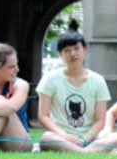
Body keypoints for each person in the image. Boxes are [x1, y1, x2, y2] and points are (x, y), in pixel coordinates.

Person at [36, 24, 111, 152]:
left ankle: (81, 151)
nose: (73, 53)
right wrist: (64, 136)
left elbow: (100, 120)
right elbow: (43, 116)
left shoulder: (98, 81)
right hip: (61, 138)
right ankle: (86, 153)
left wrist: (84, 139)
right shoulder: (50, 79)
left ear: (84, 49)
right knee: (46, 138)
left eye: (77, 48)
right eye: (67, 50)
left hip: (89, 139)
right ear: (60, 54)